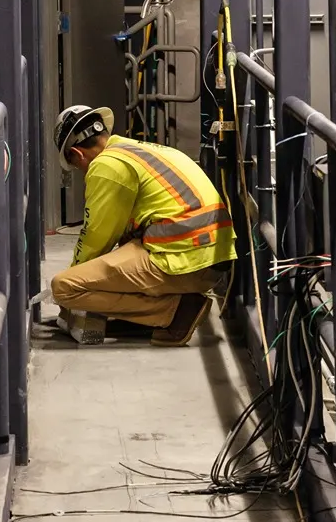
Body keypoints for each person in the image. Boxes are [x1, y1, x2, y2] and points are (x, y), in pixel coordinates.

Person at [49, 104, 236, 346]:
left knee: (65, 288)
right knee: (124, 251)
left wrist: (74, 275)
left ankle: (177, 311)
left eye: (75, 165)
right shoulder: (141, 150)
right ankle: (148, 316)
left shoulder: (106, 166)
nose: (80, 170)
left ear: (78, 153)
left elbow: (96, 237)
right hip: (211, 256)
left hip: (186, 261)